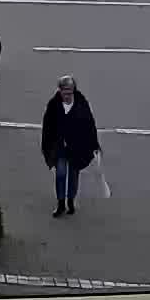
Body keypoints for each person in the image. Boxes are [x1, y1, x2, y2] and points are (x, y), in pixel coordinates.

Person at [40, 76, 100, 218]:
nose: (67, 95)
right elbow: (47, 127)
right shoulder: (53, 105)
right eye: (65, 92)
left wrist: (94, 144)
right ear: (60, 90)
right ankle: (61, 203)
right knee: (60, 174)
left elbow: (90, 124)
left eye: (70, 92)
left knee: (73, 176)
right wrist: (47, 145)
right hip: (60, 147)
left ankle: (71, 200)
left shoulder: (81, 103)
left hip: (76, 147)